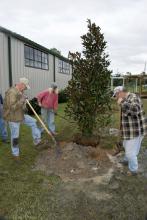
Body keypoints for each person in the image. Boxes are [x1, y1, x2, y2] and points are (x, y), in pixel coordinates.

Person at [3, 77, 45, 159]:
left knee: (33, 122)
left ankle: (37, 140)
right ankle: (15, 154)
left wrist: (25, 106)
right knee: (15, 136)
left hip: (21, 115)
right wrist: (22, 100)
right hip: (13, 118)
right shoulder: (12, 92)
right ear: (22, 85)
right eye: (25, 87)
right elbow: (12, 107)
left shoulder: (20, 91)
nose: (25, 89)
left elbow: (21, 105)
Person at [113, 86, 147, 176]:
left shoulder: (133, 97)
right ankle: (126, 160)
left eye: (116, 95)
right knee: (125, 145)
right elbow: (127, 114)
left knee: (131, 152)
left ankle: (133, 170)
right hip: (129, 130)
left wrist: (122, 102)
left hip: (135, 131)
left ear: (120, 92)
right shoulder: (127, 98)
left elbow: (134, 110)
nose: (116, 97)